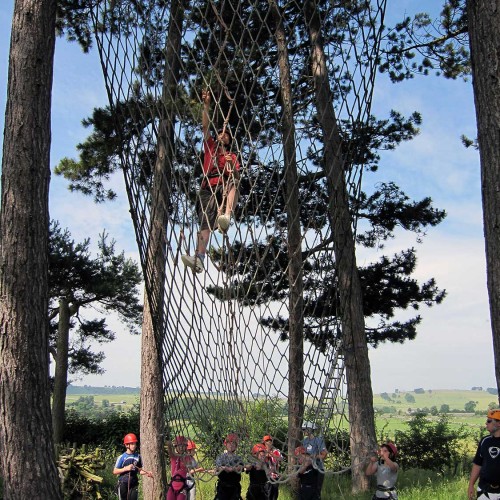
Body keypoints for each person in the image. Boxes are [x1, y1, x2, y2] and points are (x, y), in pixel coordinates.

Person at [181, 89, 241, 273]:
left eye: (226, 134)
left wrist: (230, 167)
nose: (222, 134)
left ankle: (226, 217)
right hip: (208, 186)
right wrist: (206, 105)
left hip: (223, 186)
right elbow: (205, 126)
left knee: (233, 184)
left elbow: (236, 176)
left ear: (230, 139)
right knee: (204, 224)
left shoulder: (231, 155)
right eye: (220, 132)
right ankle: (199, 258)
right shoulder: (211, 147)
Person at [468, 409, 500, 500]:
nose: (486, 423)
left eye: (489, 421)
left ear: (499, 423)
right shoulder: (485, 441)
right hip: (484, 490)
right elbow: (478, 464)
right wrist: (471, 484)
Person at [113, 433, 153, 500]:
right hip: (123, 483)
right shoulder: (122, 457)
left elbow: (140, 471)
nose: (134, 445)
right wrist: (126, 468)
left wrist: (147, 472)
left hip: (134, 484)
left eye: (135, 443)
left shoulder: (138, 456)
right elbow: (115, 471)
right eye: (132, 444)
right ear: (126, 445)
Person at [214, 433, 244, 500]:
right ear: (226, 444)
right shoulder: (221, 457)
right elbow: (217, 468)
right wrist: (223, 468)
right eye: (229, 443)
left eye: (233, 444)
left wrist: (233, 469)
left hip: (234, 488)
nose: (231, 445)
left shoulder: (238, 458)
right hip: (223, 488)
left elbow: (241, 467)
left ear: (236, 446)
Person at [302, 422, 328, 498]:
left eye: (304, 429)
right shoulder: (305, 441)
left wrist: (314, 456)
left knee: (316, 492)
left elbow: (324, 455)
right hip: (307, 469)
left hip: (318, 469)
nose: (303, 431)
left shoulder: (318, 440)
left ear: (310, 429)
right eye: (302, 429)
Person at [167, 435, 194, 500]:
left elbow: (189, 467)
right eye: (179, 446)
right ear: (176, 447)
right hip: (172, 486)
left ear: (185, 447)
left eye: (183, 446)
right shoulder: (173, 456)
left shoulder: (187, 458)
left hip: (182, 486)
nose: (181, 448)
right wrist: (169, 443)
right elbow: (169, 448)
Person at [263, 434, 282, 500]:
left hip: (274, 477)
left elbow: (280, 459)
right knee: (266, 496)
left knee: (274, 496)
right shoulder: (262, 452)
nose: (268, 443)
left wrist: (270, 454)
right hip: (265, 477)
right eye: (266, 442)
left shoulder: (276, 451)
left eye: (270, 441)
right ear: (264, 443)